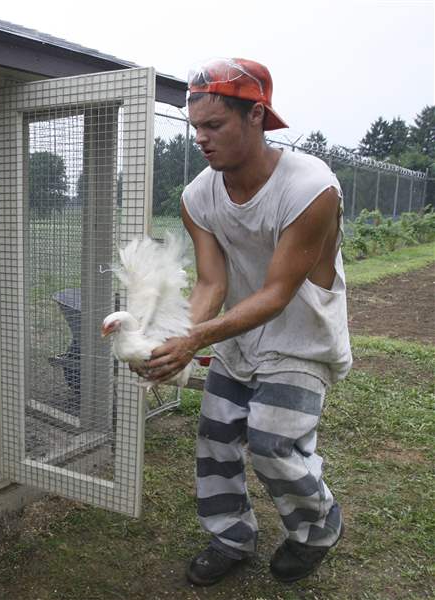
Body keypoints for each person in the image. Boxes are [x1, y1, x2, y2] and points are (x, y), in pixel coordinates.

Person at [140, 58, 352, 586]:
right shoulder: (198, 196)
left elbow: (279, 293)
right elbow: (212, 284)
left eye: (214, 126)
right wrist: (174, 338)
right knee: (215, 436)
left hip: (300, 338)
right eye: (196, 128)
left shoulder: (310, 188)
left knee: (270, 442)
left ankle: (317, 525)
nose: (201, 140)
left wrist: (197, 338)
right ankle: (231, 536)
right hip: (238, 337)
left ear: (256, 116)